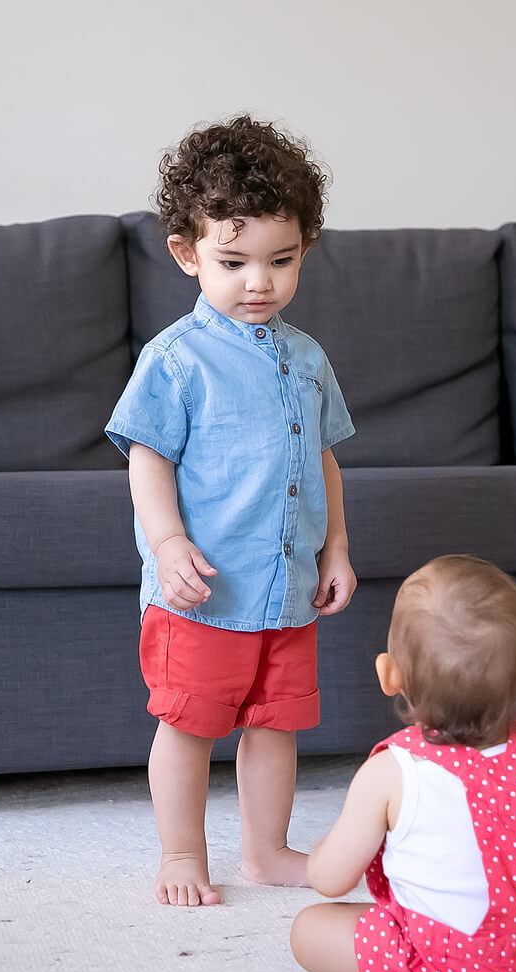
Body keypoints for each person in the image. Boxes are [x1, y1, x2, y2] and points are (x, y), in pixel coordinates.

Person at [106, 115, 356, 906]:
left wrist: (337, 549)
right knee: (188, 723)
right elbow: (148, 455)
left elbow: (323, 458)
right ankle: (182, 853)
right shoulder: (177, 358)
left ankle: (266, 850)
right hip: (205, 589)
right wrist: (167, 540)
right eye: (234, 261)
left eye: (281, 261)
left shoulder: (309, 358)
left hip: (285, 586)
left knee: (276, 723)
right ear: (187, 253)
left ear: (305, 250)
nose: (260, 281)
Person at [290, 555, 516, 972]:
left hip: (455, 970)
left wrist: (325, 847)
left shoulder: (392, 772)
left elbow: (329, 878)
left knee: (309, 929)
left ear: (390, 676)